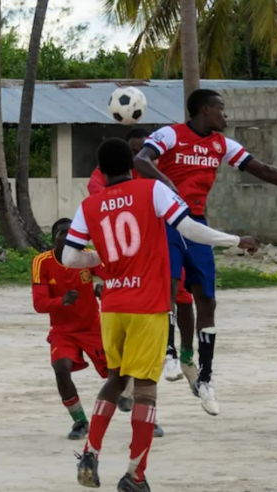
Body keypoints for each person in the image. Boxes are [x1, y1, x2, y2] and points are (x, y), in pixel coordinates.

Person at [65, 137, 259, 492]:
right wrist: (234, 239)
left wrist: (98, 259)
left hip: (112, 307)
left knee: (115, 378)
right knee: (146, 390)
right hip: (148, 305)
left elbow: (68, 258)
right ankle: (135, 475)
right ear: (132, 165)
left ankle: (90, 452)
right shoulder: (152, 189)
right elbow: (188, 227)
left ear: (102, 171)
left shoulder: (90, 205)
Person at [134, 88, 277, 415]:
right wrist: (164, 181)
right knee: (170, 286)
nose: (226, 115)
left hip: (197, 222)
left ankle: (205, 378)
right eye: (222, 109)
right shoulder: (170, 134)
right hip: (164, 219)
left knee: (207, 299)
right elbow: (140, 159)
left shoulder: (222, 144)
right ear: (205, 110)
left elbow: (261, 169)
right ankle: (168, 352)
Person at [87, 128, 191, 383]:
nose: (138, 157)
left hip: (158, 245)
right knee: (129, 308)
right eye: (133, 151)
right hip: (123, 252)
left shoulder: (157, 176)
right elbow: (104, 204)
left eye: (142, 152)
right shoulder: (103, 177)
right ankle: (125, 379)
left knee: (181, 295)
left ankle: (179, 354)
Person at [32, 219, 108, 440]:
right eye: (62, 234)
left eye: (72, 234)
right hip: (62, 330)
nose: (67, 238)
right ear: (53, 238)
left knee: (118, 374)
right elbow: (39, 304)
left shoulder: (87, 255)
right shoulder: (41, 263)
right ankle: (79, 420)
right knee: (60, 368)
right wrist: (62, 301)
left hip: (93, 326)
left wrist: (103, 286)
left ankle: (146, 416)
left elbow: (110, 274)